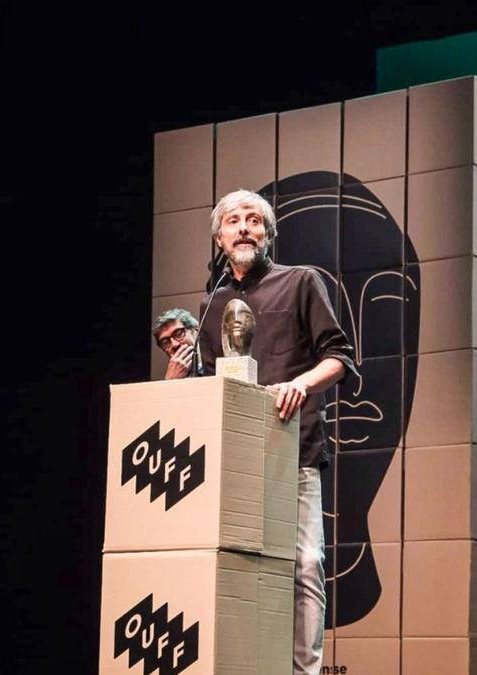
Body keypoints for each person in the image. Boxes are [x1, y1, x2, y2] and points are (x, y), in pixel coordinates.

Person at [196, 188, 356, 675]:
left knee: (305, 565)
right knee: (238, 566)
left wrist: (300, 385)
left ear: (268, 234)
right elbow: (208, 382)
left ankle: (304, 672)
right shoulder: (212, 303)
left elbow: (339, 359)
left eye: (254, 220)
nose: (243, 228)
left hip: (294, 448)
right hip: (235, 455)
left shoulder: (301, 281)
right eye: (233, 221)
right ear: (220, 237)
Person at [151, 307, 199, 380]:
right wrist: (170, 380)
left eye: (178, 334)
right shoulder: (170, 377)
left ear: (196, 330)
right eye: (165, 342)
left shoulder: (219, 364)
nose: (174, 344)